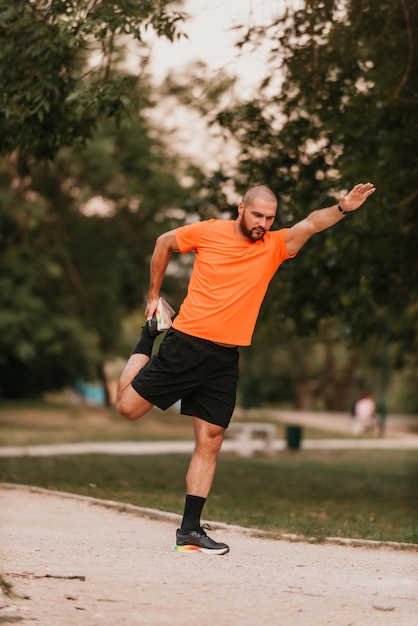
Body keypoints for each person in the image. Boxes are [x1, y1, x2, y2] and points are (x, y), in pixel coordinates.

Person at [116, 182, 376, 555]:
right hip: (186, 345)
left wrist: (343, 208)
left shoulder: (274, 246)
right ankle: (149, 335)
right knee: (127, 409)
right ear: (241, 208)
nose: (263, 224)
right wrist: (154, 295)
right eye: (257, 215)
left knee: (211, 440)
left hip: (224, 359)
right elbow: (163, 242)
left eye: (270, 218)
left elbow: (311, 224)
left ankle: (189, 531)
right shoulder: (207, 231)